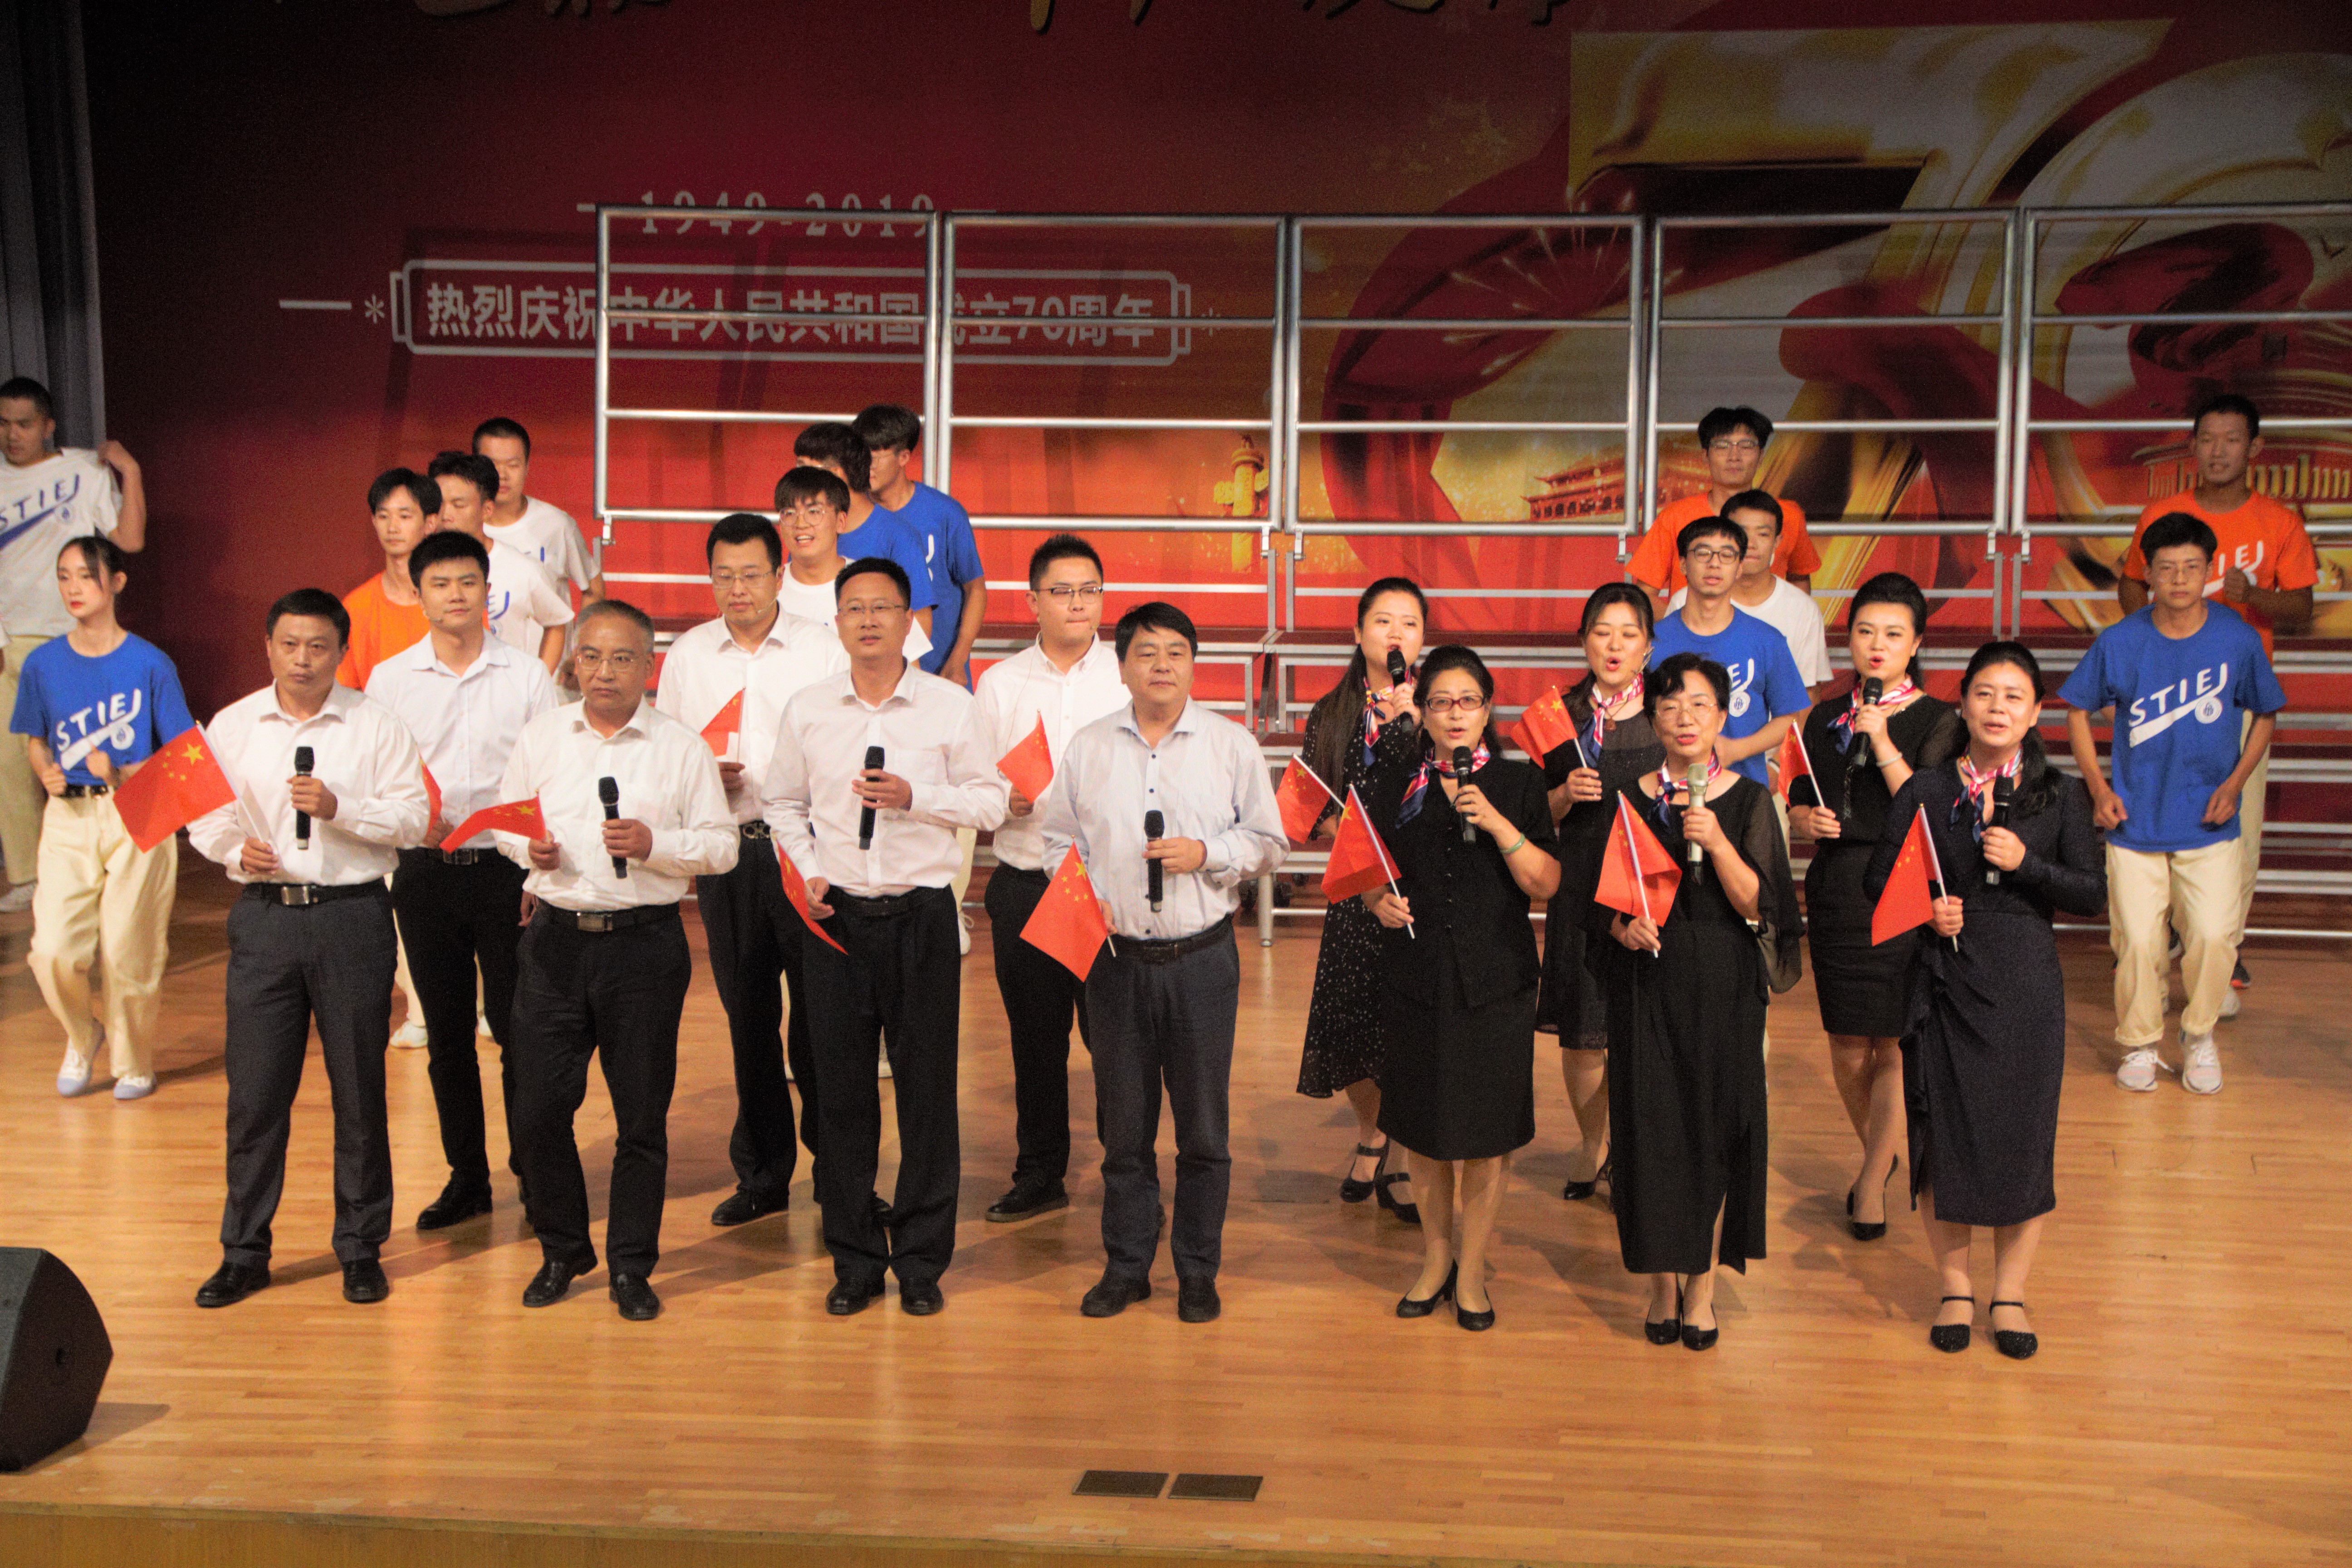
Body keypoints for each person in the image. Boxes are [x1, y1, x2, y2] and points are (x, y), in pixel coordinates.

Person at [762, 558, 1006, 1318]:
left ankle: (922, 1261)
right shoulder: (809, 708)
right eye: (854, 608)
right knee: (840, 1096)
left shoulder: (949, 706)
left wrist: (915, 797)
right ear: (836, 622)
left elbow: (990, 802)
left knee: (927, 1095)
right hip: (835, 921)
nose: (868, 620)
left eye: (883, 607)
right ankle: (856, 1260)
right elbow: (781, 802)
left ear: (910, 622)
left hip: (921, 918)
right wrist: (808, 870)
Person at [1039, 601, 1287, 1324]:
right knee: (1125, 1130)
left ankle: (1198, 1270)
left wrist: (1208, 854)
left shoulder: (1231, 745)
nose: (1162, 666)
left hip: (1201, 961)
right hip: (1115, 962)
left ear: (1194, 665)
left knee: (1204, 1131)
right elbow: (1057, 842)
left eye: (1176, 652)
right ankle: (1126, 1266)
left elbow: (1270, 843)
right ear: (1122, 667)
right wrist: (1082, 895)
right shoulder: (1089, 747)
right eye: (1146, 653)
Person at [186, 589, 431, 1308]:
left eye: (318, 646)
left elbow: (414, 819)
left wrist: (338, 808)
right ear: (268, 647)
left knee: (359, 1091)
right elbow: (206, 817)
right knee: (255, 1096)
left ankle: (360, 1248)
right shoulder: (234, 724)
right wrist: (235, 852)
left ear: (341, 652)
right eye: (289, 645)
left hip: (352, 916)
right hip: (265, 918)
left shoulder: (376, 724)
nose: (302, 659)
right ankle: (243, 1252)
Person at [497, 599, 738, 1321]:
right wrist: (526, 849)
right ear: (574, 662)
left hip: (644, 947)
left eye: (622, 658)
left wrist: (656, 845)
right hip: (556, 942)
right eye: (592, 656)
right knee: (537, 1111)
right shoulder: (542, 736)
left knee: (641, 1118)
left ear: (649, 667)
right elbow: (506, 823)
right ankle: (563, 1248)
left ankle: (632, 1266)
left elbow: (722, 847)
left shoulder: (681, 748)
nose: (604, 671)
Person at [1867, 642, 2106, 1359]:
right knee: (1944, 1137)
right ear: (1964, 705)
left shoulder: (2060, 795)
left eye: (2014, 697)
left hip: (2025, 985)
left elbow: (2091, 895)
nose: (1998, 708)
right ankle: (1954, 1288)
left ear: (2035, 714)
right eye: (1985, 694)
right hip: (1945, 980)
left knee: (2022, 1141)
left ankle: (2010, 1294)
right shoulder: (1927, 789)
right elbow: (1881, 882)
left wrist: (2028, 864)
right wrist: (1927, 908)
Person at [1586, 653, 1799, 1351]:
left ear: (1723, 715)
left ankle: (1701, 1289)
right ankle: (1659, 1284)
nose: (1685, 718)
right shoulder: (1628, 796)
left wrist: (1716, 841)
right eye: (1671, 706)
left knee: (1714, 1132)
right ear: (1653, 718)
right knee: (1649, 1134)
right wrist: (1622, 927)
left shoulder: (1747, 800)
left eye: (1700, 704)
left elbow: (1761, 906)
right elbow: (1598, 901)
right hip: (1647, 982)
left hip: (1722, 985)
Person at [364, 530, 560, 1230]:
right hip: (425, 873)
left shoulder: (527, 677)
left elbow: (550, 772)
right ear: (418, 596)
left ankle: (533, 1175)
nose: (456, 595)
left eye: (468, 582)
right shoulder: (389, 680)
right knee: (446, 1032)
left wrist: (537, 867)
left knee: (517, 1030)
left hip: (507, 872)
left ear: (488, 591)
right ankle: (467, 1179)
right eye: (440, 584)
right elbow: (376, 772)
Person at [653, 512, 844, 1227]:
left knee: (822, 1019)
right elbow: (667, 754)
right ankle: (762, 1174)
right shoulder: (688, 656)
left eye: (752, 574)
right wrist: (703, 775)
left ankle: (839, 1173)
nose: (738, 588)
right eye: (724, 576)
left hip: (807, 852)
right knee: (749, 1017)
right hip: (730, 853)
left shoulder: (822, 648)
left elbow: (847, 741)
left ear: (780, 575)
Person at [1362, 646, 1560, 1331]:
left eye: (1467, 701)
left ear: (1487, 710)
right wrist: (1374, 901)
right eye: (1440, 702)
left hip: (1497, 983)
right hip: (1416, 980)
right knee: (1423, 1130)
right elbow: (1365, 866)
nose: (1454, 714)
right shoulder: (1398, 783)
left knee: (1487, 1136)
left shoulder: (1519, 783)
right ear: (1423, 712)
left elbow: (1547, 883)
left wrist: (1498, 823)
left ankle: (1472, 1273)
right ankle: (1435, 1260)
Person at [2063, 513, 2284, 1097]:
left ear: (2209, 571)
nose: (2180, 579)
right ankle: (2140, 1043)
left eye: (2191, 567)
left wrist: (2235, 784)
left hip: (2210, 823)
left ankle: (2198, 1034)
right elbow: (2077, 710)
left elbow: (2266, 713)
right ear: (2149, 575)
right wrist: (2099, 788)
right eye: (2167, 569)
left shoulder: (2237, 638)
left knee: (2213, 936)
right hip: (2135, 823)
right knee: (2137, 941)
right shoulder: (2120, 640)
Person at [2115, 394, 2315, 1004]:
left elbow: (2302, 607)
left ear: (2255, 448)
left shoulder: (2279, 522)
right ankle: (2163, 946)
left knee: (2235, 828)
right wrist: (2148, 644)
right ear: (2193, 446)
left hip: (2236, 701)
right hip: (2161, 696)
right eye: (2208, 439)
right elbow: (2130, 584)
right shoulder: (2163, 513)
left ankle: (2223, 950)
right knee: (2150, 819)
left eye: (2232, 439)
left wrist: (2253, 596)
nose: (2218, 450)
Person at [1788, 573, 1963, 1240]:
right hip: (1837, 886)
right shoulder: (1825, 716)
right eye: (1865, 632)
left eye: (1893, 634)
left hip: (1902, 883)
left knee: (1889, 1040)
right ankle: (1882, 1154)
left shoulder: (1939, 720)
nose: (1877, 645)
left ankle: (1870, 1182)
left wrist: (1884, 740)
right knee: (1845, 1045)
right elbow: (1800, 794)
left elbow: (1929, 808)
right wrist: (1805, 820)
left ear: (1916, 643)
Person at [968, 533, 1128, 1221]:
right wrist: (1000, 801)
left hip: (1105, 888)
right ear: (1033, 601)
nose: (1077, 603)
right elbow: (972, 781)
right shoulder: (1000, 684)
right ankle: (1039, 1173)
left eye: (1090, 590)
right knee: (1035, 1044)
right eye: (1061, 591)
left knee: (1116, 1041)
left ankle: (1129, 1173)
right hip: (1027, 881)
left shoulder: (1127, 674)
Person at [11, 536, 192, 1100]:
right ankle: (82, 1034)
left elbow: (185, 758)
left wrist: (122, 771)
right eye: (64, 576)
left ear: (116, 583)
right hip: (68, 815)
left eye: (86, 576)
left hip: (138, 811)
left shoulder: (150, 663)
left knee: (128, 950)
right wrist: (45, 769)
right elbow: (35, 738)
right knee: (51, 951)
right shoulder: (42, 663)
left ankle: (134, 1062)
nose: (73, 588)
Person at [1295, 576, 1427, 1220]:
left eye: (1409, 623)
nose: (1396, 634)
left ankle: (1400, 1151)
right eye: (1382, 621)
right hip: (1355, 887)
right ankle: (1372, 1133)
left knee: (1408, 1025)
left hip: (1419, 888)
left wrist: (1419, 726)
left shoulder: (1438, 702)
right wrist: (1349, 835)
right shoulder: (1334, 710)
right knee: (1351, 1024)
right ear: (1358, 633)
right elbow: (1310, 801)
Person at [1534, 583, 1662, 1202]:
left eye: (1628, 634)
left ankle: (1636, 1149)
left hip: (1649, 889)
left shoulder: (1670, 711)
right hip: (1580, 885)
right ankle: (1595, 1146)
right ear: (1583, 641)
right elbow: (1531, 817)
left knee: (1641, 1028)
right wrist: (1562, 796)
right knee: (1584, 1032)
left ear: (1648, 647)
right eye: (1602, 632)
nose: (1614, 645)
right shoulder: (1558, 716)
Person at [0, 376, 146, 915]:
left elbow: (129, 540)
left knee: (92, 752)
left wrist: (131, 471)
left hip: (74, 637)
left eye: (23, 424)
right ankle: (27, 876)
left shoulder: (83, 471)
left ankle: (106, 864)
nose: (12, 435)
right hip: (10, 639)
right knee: (12, 765)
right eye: (3, 424)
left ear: (48, 425)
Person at [1648, 515, 1811, 786]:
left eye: (1727, 555)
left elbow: (1793, 716)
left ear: (1739, 568)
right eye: (1703, 553)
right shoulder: (1653, 642)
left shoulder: (1767, 640)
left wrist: (1738, 750)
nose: (1714, 564)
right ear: (1683, 564)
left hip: (1744, 791)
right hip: (1666, 790)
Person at [1625, 406, 1820, 608]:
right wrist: (1685, 622)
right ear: (1705, 455)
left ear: (1761, 455)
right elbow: (1644, 595)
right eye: (1722, 446)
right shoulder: (1675, 517)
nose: (1734, 456)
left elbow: (1800, 579)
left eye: (1746, 446)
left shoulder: (1789, 516)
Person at [853, 404, 987, 687]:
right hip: (873, 679)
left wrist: (958, 660)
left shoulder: (944, 513)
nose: (866, 466)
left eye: (875, 456)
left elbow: (975, 588)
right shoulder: (850, 517)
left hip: (939, 671)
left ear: (904, 457)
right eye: (860, 455)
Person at [1668, 490, 1833, 697]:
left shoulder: (1803, 609)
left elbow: (1809, 691)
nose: (1751, 544)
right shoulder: (1684, 601)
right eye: (1742, 532)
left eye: (1763, 534)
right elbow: (1668, 683)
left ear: (1777, 542)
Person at [425, 450, 573, 672]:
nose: (446, 515)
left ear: (487, 510)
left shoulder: (522, 568)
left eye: (458, 505)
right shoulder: (419, 568)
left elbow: (557, 623)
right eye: (439, 504)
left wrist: (539, 681)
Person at [790, 425, 937, 639]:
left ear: (836, 475)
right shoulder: (805, 532)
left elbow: (920, 622)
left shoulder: (897, 536)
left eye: (805, 471)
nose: (797, 481)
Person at [773, 464, 934, 660]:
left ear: (841, 521)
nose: (801, 524)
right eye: (789, 513)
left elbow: (909, 667)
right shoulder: (767, 589)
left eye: (814, 512)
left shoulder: (875, 584)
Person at [474, 415, 603, 610]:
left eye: (513, 465)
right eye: (492, 465)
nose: (502, 475)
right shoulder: (460, 527)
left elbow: (594, 588)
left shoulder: (557, 525)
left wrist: (579, 631)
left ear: (527, 468)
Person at [336, 469, 441, 691]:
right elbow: (345, 690)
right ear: (374, 522)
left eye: (405, 517)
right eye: (384, 517)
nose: (393, 528)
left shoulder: (455, 599)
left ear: (430, 523)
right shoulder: (356, 607)